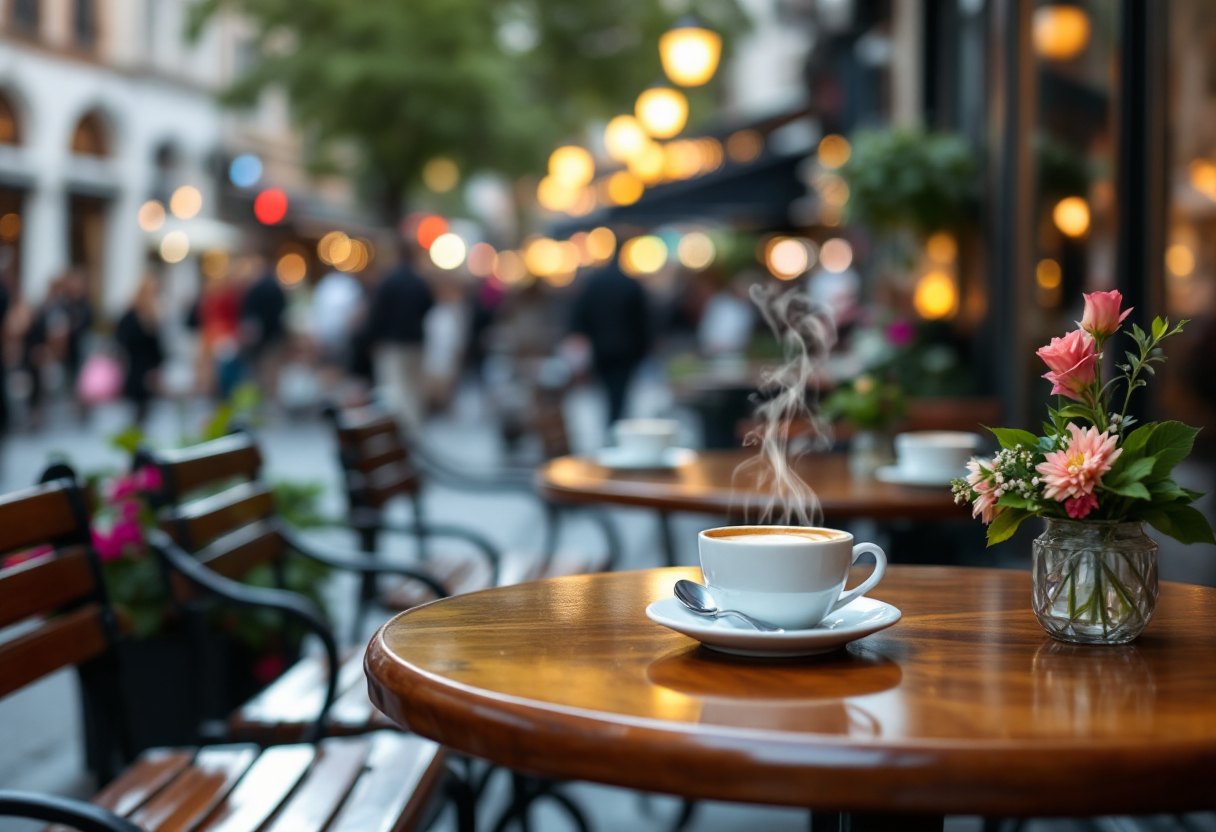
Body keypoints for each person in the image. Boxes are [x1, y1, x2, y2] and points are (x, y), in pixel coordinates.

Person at [570, 257, 651, 425]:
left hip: (600, 350)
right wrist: (644, 351)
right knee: (619, 394)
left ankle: (613, 430)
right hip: (626, 350)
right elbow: (643, 321)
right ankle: (616, 429)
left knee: (607, 395)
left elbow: (579, 317)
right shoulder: (630, 283)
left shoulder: (593, 283)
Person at [366, 242, 434, 431]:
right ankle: (414, 428)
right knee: (414, 389)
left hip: (393, 343)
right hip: (415, 341)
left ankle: (400, 430)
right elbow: (429, 305)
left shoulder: (389, 281)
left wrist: (372, 339)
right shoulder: (418, 281)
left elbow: (378, 314)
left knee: (394, 389)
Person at [115, 277, 165, 425]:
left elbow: (157, 346)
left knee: (146, 408)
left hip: (149, 367)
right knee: (136, 406)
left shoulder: (153, 315)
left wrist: (157, 368)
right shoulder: (131, 315)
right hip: (134, 365)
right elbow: (122, 338)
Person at [239, 257, 287, 403]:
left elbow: (250, 315)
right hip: (275, 335)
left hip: (263, 337)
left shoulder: (257, 287)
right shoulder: (275, 286)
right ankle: (272, 400)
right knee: (273, 372)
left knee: (263, 372)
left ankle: (264, 401)